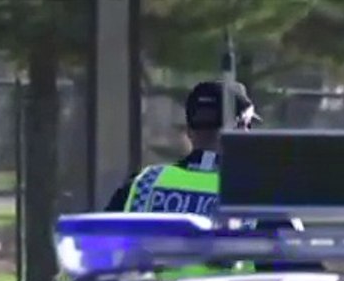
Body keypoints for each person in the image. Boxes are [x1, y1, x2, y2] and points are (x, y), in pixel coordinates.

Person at [104, 79, 260, 215]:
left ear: (189, 132)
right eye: (249, 125)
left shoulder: (144, 183)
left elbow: (101, 239)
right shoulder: (256, 194)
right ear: (240, 131)